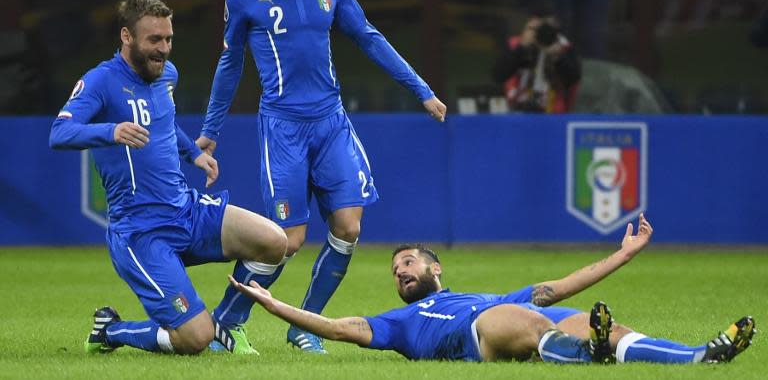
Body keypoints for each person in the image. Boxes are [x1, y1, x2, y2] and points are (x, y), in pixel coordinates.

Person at [196, 0, 447, 354]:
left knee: (348, 227)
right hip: (283, 128)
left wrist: (421, 89)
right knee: (286, 241)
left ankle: (304, 327)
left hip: (331, 124)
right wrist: (211, 128)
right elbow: (230, 62)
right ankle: (226, 323)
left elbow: (369, 37)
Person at [49, 0, 288, 355]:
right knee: (194, 339)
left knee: (274, 242)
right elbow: (59, 133)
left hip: (186, 210)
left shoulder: (166, 75)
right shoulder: (100, 81)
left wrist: (193, 153)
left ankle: (227, 323)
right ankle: (112, 332)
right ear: (127, 37)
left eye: (169, 39)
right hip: (141, 230)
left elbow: (163, 122)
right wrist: (110, 131)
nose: (164, 49)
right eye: (154, 40)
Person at [229, 214, 756, 364]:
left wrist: (624, 253)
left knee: (585, 320)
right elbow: (339, 328)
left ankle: (695, 357)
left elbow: (558, 286)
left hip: (507, 320)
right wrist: (276, 307)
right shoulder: (399, 324)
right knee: (519, 320)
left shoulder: (480, 294)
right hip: (480, 338)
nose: (400, 273)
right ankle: (584, 353)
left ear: (435, 269)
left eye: (408, 263)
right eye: (395, 271)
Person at [491, 6, 581, 112]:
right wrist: (522, 48)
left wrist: (557, 57)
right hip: (517, 111)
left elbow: (573, 80)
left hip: (553, 114)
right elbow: (498, 75)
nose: (543, 31)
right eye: (539, 28)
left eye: (547, 27)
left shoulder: (564, 47)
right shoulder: (515, 44)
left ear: (556, 26)